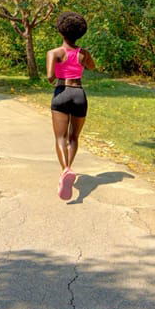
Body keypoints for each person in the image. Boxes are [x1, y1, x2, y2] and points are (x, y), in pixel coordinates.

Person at [46, 11, 96, 200]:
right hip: (79, 94)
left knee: (60, 137)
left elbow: (50, 78)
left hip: (61, 93)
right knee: (73, 137)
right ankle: (68, 169)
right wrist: (82, 59)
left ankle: (65, 169)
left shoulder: (54, 53)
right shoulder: (83, 53)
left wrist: (58, 67)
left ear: (61, 31)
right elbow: (92, 66)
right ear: (80, 33)